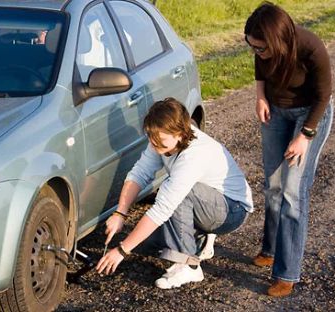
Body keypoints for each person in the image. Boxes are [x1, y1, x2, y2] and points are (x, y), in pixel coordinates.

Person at [95, 98, 253, 289]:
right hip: (209, 202)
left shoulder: (194, 155)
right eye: (152, 141)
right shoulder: (160, 139)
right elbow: (139, 173)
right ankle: (200, 239)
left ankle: (190, 266)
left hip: (231, 210)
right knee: (151, 244)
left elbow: (162, 208)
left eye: (160, 143)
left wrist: (121, 251)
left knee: (173, 194)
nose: (155, 147)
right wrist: (120, 213)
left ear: (179, 134)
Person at [244, 2, 333, 297]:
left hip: (309, 115)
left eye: (260, 48)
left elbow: (323, 96)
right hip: (276, 112)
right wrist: (260, 97)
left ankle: (287, 273)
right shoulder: (262, 48)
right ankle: (270, 249)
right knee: (272, 185)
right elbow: (260, 67)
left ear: (278, 41)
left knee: (293, 192)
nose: (256, 53)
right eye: (252, 46)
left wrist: (305, 136)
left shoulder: (310, 47)